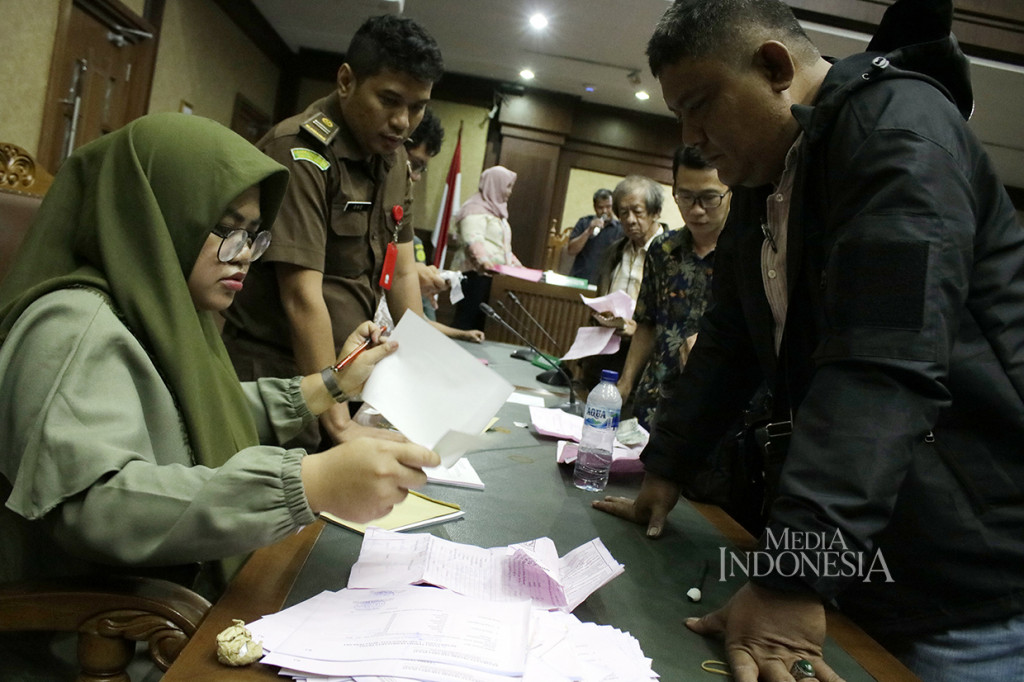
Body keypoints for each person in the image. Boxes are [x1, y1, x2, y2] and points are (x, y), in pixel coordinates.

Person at [595, 0, 1024, 679]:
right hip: (860, 554)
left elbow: (882, 367)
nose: (692, 135)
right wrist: (668, 465)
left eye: (699, 106)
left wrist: (793, 575)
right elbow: (731, 340)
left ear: (774, 67)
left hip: (966, 580)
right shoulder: (767, 177)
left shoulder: (898, 130)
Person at [0, 113, 439, 677]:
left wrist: (332, 383)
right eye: (227, 230)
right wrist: (309, 482)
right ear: (156, 217)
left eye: (254, 236)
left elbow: (186, 415)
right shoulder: (73, 326)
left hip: (168, 592)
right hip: (105, 636)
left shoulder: (159, 308)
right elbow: (98, 507)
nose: (245, 254)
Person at [221, 14, 444, 450]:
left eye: (418, 107)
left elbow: (402, 273)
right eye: (389, 100)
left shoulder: (395, 159)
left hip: (343, 374)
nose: (403, 121)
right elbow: (302, 297)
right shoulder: (299, 150)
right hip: (278, 378)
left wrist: (426, 388)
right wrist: (338, 422)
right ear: (346, 81)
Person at [616, 146, 728, 431]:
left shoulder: (748, 253)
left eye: (709, 198)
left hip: (717, 407)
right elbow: (646, 322)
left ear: (730, 192)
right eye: (686, 197)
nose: (696, 210)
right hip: (655, 399)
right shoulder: (662, 249)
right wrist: (625, 384)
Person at [580, 175, 664, 393]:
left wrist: (639, 329)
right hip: (606, 352)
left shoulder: (670, 254)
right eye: (624, 213)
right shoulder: (615, 250)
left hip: (647, 361)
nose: (630, 220)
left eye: (637, 211)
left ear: (655, 212)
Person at [449, 165, 523, 331]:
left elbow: (502, 248)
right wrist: (484, 262)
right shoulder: (474, 209)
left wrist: (519, 268)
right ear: (494, 184)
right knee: (466, 323)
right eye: (508, 186)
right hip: (474, 275)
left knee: (480, 325)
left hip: (490, 278)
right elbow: (473, 239)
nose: (510, 192)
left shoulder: (497, 212)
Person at [566, 188, 623, 284]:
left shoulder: (621, 229)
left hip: (605, 282)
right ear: (595, 207)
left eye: (608, 207)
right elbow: (571, 250)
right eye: (600, 207)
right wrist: (588, 231)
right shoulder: (584, 222)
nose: (605, 211)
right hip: (580, 279)